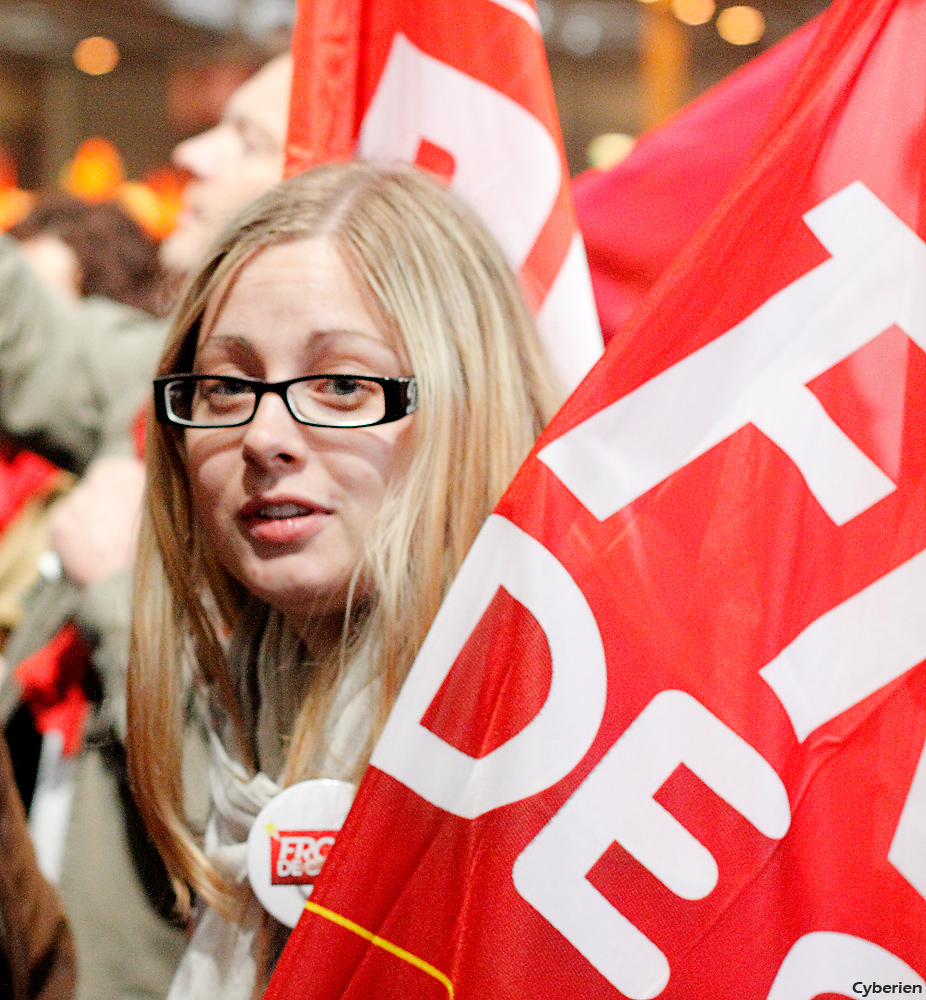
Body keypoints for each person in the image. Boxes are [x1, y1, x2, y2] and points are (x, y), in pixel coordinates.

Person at [127, 161, 562, 999]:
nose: (265, 436)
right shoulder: (239, 733)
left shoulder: (546, 766)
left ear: (474, 403)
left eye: (342, 385)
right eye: (225, 386)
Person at [0, 52, 293, 1000]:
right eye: (215, 391)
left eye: (245, 136)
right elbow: (26, 338)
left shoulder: (324, 477)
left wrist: (117, 585)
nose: (191, 155)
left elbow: (251, 807)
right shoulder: (148, 380)